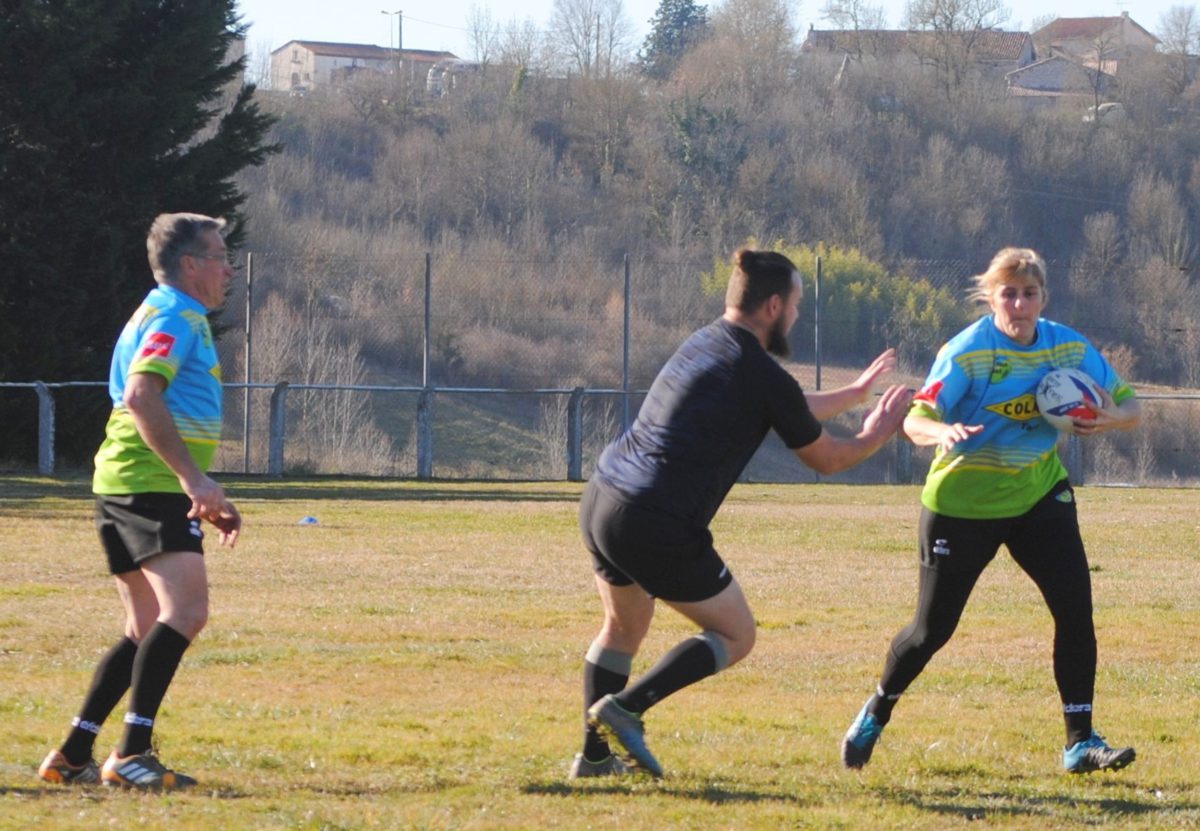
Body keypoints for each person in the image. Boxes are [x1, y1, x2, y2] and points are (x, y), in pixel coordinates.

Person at [570, 248, 913, 779]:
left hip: (605, 500)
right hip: (656, 520)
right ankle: (626, 709)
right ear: (773, 305)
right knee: (736, 635)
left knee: (622, 627)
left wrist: (854, 394)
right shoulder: (759, 371)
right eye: (796, 305)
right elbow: (827, 458)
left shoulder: (705, 341)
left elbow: (785, 404)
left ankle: (593, 760)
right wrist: (878, 431)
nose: (797, 316)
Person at [840, 247, 1141, 775]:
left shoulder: (1067, 347)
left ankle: (1080, 741)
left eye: (1029, 293)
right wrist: (943, 431)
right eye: (1009, 293)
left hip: (1038, 494)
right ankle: (877, 708)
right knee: (932, 631)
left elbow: (1131, 406)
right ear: (991, 297)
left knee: (1075, 611)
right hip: (963, 504)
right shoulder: (968, 352)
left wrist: (1108, 419)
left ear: (1043, 297)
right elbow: (915, 421)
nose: (1019, 304)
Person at [38, 213, 241, 790]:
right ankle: (131, 756)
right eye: (221, 256)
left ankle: (73, 754)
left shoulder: (168, 313)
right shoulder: (176, 316)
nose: (229, 268)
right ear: (190, 265)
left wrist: (198, 481)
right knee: (187, 613)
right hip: (147, 483)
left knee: (145, 624)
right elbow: (140, 394)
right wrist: (194, 482)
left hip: (125, 480)